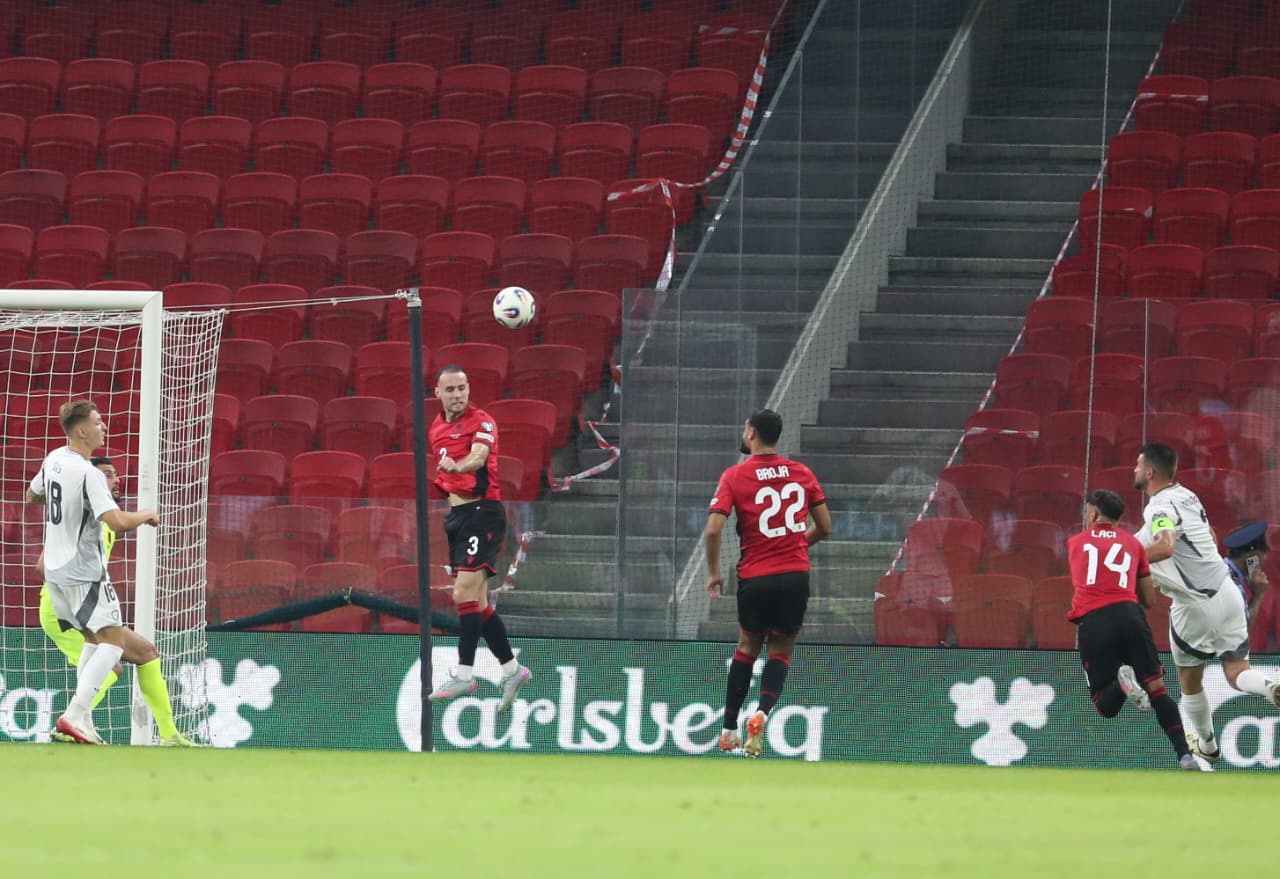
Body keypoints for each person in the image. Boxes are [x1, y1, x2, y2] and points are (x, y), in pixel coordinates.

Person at [27, 400, 198, 746]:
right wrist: (146, 515)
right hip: (83, 573)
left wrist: (67, 506)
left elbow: (33, 495)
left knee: (96, 642)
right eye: (98, 422)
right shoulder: (89, 474)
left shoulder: (54, 459)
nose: (103, 427)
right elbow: (117, 521)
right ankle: (74, 715)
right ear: (81, 430)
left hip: (57, 575)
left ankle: (86, 722)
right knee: (113, 644)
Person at [1134, 443, 1280, 766]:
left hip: (1195, 604)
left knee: (1190, 681)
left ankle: (1208, 745)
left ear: (1150, 472)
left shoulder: (1158, 508)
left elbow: (1165, 545)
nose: (1134, 469)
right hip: (1228, 593)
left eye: (1138, 464)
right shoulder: (1187, 496)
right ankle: (1270, 687)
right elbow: (1209, 535)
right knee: (1238, 670)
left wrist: (1127, 556)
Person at [704, 409, 831, 758]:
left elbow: (713, 530)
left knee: (747, 647)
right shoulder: (802, 472)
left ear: (751, 434)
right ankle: (761, 712)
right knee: (781, 651)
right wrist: (795, 547)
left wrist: (714, 572)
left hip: (755, 577)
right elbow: (825, 526)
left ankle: (728, 729)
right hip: (795, 576)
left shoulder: (735, 475)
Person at [1067, 489, 1199, 771]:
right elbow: (1149, 600)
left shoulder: (1076, 543)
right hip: (1130, 616)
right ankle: (1185, 756)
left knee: (1105, 706)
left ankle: (1120, 683)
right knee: (1157, 689)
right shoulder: (1134, 545)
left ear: (1093, 514)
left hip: (1094, 620)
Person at [426, 366, 531, 711]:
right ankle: (512, 670)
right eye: (450, 389)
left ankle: (464, 675)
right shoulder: (436, 428)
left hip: (483, 513)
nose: (457, 394)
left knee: (461, 593)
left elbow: (479, 456)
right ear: (438, 393)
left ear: (469, 389)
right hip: (457, 519)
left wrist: (460, 466)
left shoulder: (482, 421)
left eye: (462, 388)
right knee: (479, 604)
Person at [37, 457, 123, 724]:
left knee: (100, 665)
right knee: (111, 664)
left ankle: (79, 725)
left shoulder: (105, 521)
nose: (116, 480)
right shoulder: (78, 520)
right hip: (61, 607)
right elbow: (42, 566)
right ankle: (71, 721)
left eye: (115, 474)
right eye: (107, 475)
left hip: (79, 605)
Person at [1222, 520, 1272, 650]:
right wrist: (1258, 595)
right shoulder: (1232, 586)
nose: (1265, 559)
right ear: (1251, 556)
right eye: (1262, 554)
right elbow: (1240, 636)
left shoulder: (1224, 570)